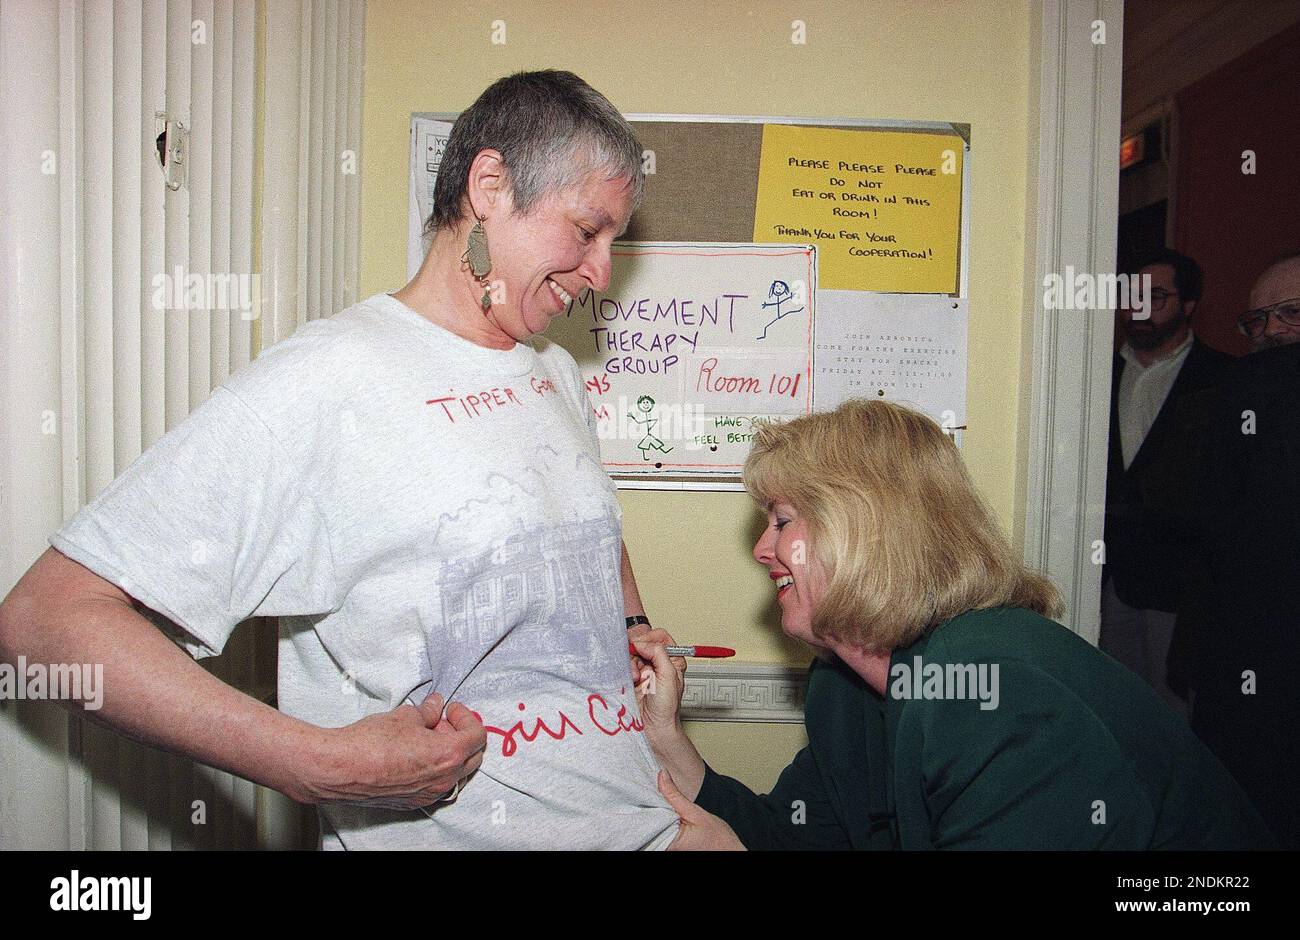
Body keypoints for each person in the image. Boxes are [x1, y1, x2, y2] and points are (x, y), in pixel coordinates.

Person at [0, 70, 681, 850]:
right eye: (587, 230)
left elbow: (580, 521)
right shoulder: (329, 378)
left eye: (614, 243)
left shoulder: (553, 372)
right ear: (489, 184)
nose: (601, 274)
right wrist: (309, 762)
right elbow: (45, 619)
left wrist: (631, 628)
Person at [632, 399, 1275, 849]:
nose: (761, 550)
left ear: (864, 529)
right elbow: (790, 838)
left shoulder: (995, 690)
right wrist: (664, 736)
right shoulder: (849, 690)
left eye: (782, 520)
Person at [1172, 252, 1300, 848]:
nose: (1272, 332)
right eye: (1257, 321)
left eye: (1291, 314)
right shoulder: (1240, 391)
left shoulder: (1247, 386)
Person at [1099, 249, 1232, 715]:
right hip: (1102, 577)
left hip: (1181, 585)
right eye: (1129, 295)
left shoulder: (1223, 380)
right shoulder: (1093, 372)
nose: (1137, 308)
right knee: (1112, 707)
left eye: (1155, 296)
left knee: (1176, 714)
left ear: (1189, 304)